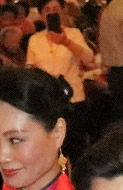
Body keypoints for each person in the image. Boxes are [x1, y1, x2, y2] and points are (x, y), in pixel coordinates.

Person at [27, 0, 95, 159]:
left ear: (63, 11)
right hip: (47, 99)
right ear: (41, 14)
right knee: (52, 144)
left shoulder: (74, 34)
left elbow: (88, 58)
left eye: (56, 9)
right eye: (47, 9)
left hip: (73, 97)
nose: (52, 13)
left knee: (74, 143)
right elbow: (30, 68)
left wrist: (66, 42)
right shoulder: (35, 39)